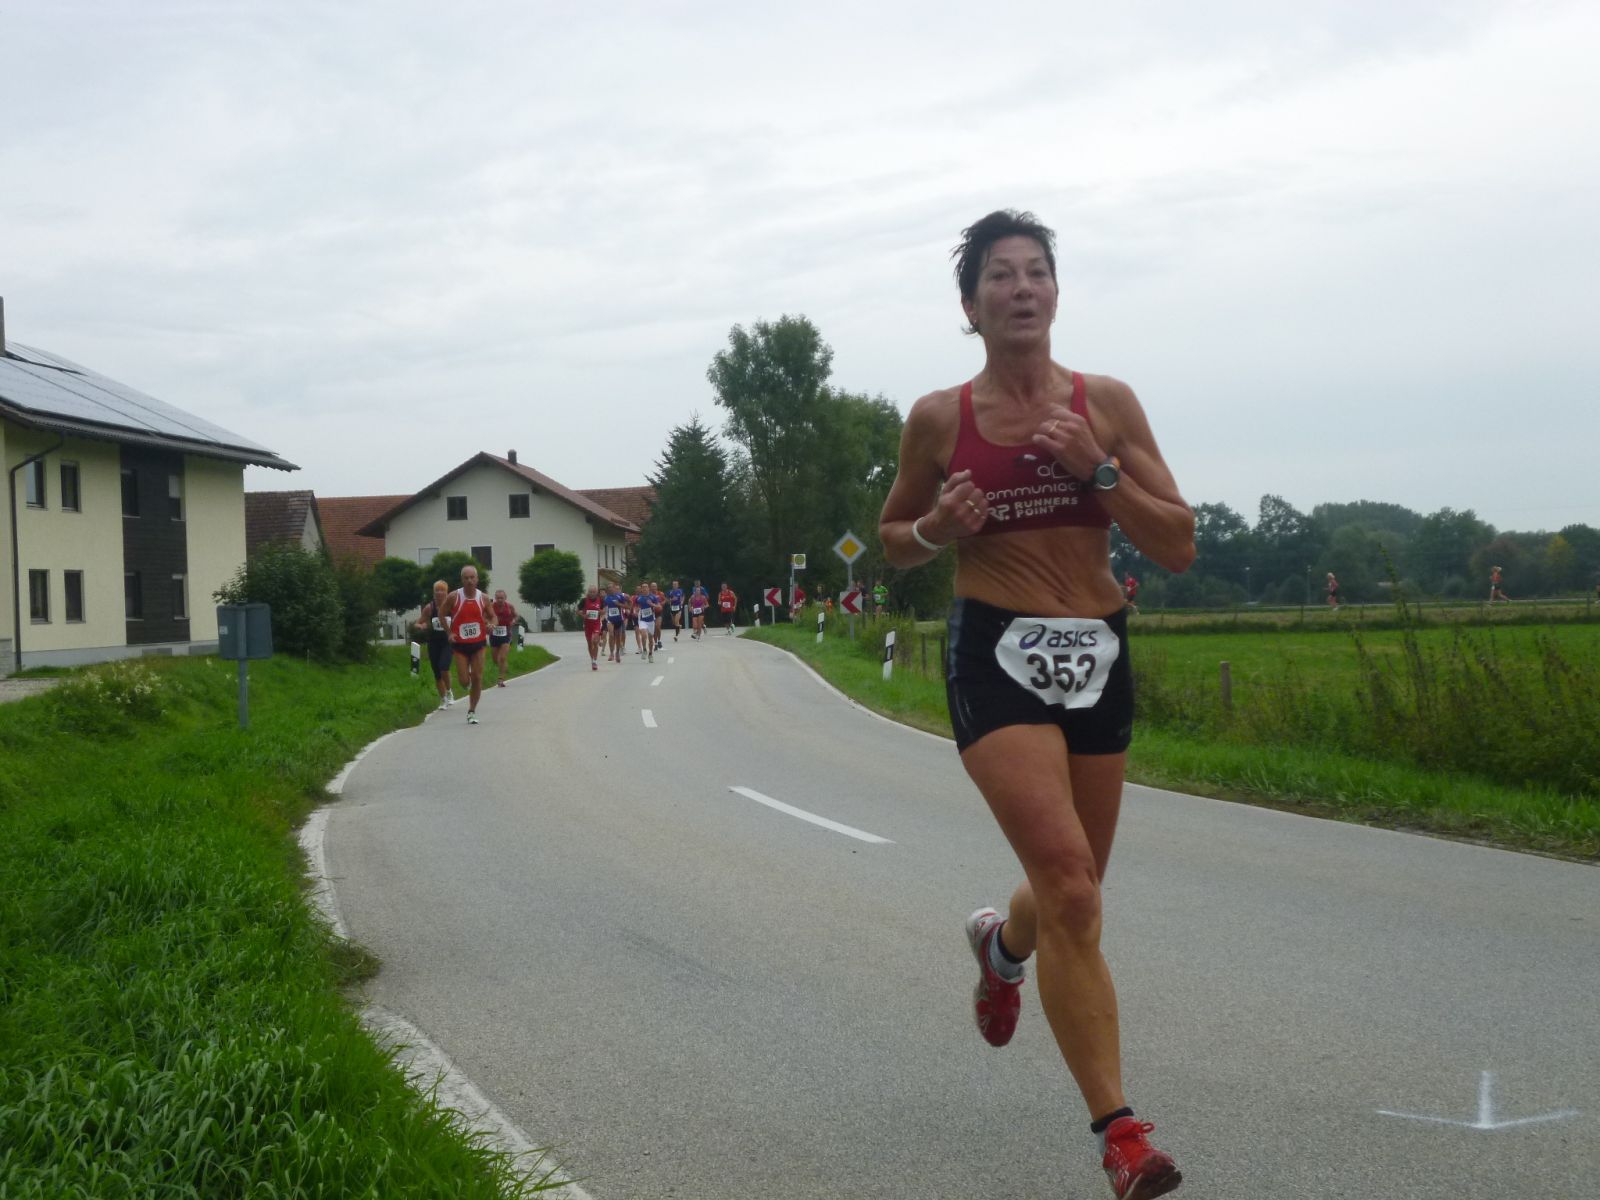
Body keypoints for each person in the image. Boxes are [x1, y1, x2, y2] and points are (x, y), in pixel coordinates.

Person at [878, 210, 1195, 1199]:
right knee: (1069, 883)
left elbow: (1177, 542)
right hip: (996, 650)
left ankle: (1000, 947)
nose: (1021, 289)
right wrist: (938, 526)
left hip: (1097, 648)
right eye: (1000, 276)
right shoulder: (939, 419)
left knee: (1073, 892)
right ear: (969, 305)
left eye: (1037, 272)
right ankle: (1121, 1136)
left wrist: (1096, 470)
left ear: (1056, 292)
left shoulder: (1107, 403)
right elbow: (893, 538)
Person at [443, 565, 494, 724]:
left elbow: (493, 616)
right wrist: (449, 632)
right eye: (466, 578)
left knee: (478, 677)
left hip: (478, 643)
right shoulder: (454, 596)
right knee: (464, 681)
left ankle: (471, 711)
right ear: (462, 580)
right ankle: (469, 683)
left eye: (472, 577)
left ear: (477, 579)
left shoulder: (483, 598)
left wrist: (492, 624)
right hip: (460, 645)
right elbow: (441, 614)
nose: (469, 581)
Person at [413, 579, 456, 709]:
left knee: (444, 667)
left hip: (447, 641)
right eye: (437, 590)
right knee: (437, 672)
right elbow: (417, 623)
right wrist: (421, 626)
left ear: (447, 592)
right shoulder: (429, 608)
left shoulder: (452, 606)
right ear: (433, 593)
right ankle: (443, 700)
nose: (439, 592)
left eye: (442, 590)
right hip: (434, 642)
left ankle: (449, 691)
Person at [489, 589, 518, 686]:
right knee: (495, 659)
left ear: (505, 598)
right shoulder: (491, 607)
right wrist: (488, 623)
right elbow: (484, 617)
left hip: (506, 634)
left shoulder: (509, 607)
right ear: (495, 598)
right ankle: (504, 667)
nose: (500, 600)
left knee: (502, 657)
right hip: (494, 635)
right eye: (498, 598)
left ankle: (501, 679)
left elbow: (516, 616)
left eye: (501, 598)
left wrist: (513, 621)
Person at [581, 585, 605, 671]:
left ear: (596, 592)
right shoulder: (584, 600)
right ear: (588, 592)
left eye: (594, 592)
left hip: (596, 624)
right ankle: (592, 660)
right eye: (590, 592)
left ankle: (595, 661)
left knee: (595, 641)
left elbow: (604, 611)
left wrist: (600, 612)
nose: (592, 593)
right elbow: (578, 611)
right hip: (587, 625)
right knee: (589, 644)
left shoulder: (600, 600)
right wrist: (584, 615)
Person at [603, 583, 628, 662]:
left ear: (614, 588)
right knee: (611, 634)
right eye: (608, 588)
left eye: (611, 587)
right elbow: (604, 609)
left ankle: (617, 652)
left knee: (618, 637)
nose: (610, 589)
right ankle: (611, 653)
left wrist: (618, 604)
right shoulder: (606, 598)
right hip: (610, 619)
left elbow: (627, 606)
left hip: (619, 619)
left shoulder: (620, 597)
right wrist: (601, 614)